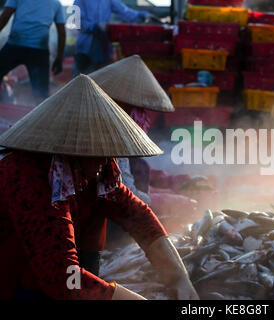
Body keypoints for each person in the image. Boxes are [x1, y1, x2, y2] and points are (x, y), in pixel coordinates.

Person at [0, 74, 199, 300]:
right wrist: (126, 298)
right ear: (76, 148)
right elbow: (61, 276)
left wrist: (178, 278)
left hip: (60, 270)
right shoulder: (27, 176)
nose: (107, 161)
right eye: (100, 153)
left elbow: (136, 214)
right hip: (15, 275)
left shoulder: (99, 169)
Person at [89, 55, 208, 247]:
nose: (143, 116)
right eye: (137, 108)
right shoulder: (107, 137)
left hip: (124, 215)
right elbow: (125, 193)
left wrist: (177, 182)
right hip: (106, 226)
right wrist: (170, 201)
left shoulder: (121, 134)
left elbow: (135, 170)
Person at [0, 0, 66, 102]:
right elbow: (62, 33)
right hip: (39, 52)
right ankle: (41, 116)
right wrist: (59, 58)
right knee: (41, 96)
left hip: (14, 46)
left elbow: (4, 18)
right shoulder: (56, 3)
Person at [73, 0, 150, 75]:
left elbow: (125, 12)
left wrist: (142, 16)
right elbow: (77, 22)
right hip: (85, 50)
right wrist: (94, 26)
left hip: (103, 49)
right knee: (82, 81)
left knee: (102, 81)